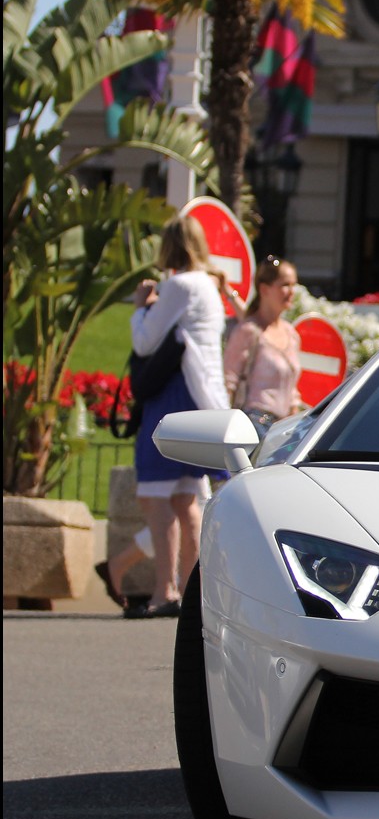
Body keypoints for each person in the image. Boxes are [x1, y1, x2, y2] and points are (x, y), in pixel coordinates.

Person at [120, 215, 228, 619]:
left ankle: (164, 590)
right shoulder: (209, 285)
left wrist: (140, 308)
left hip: (174, 395)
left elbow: (145, 342)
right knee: (186, 497)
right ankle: (188, 591)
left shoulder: (180, 284)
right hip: (202, 397)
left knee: (155, 495)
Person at [224, 256, 304, 436]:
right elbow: (229, 382)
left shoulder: (291, 334)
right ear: (264, 289)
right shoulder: (248, 331)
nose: (291, 291)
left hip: (284, 429)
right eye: (285, 285)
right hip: (253, 425)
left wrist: (294, 417)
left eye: (294, 285)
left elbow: (292, 389)